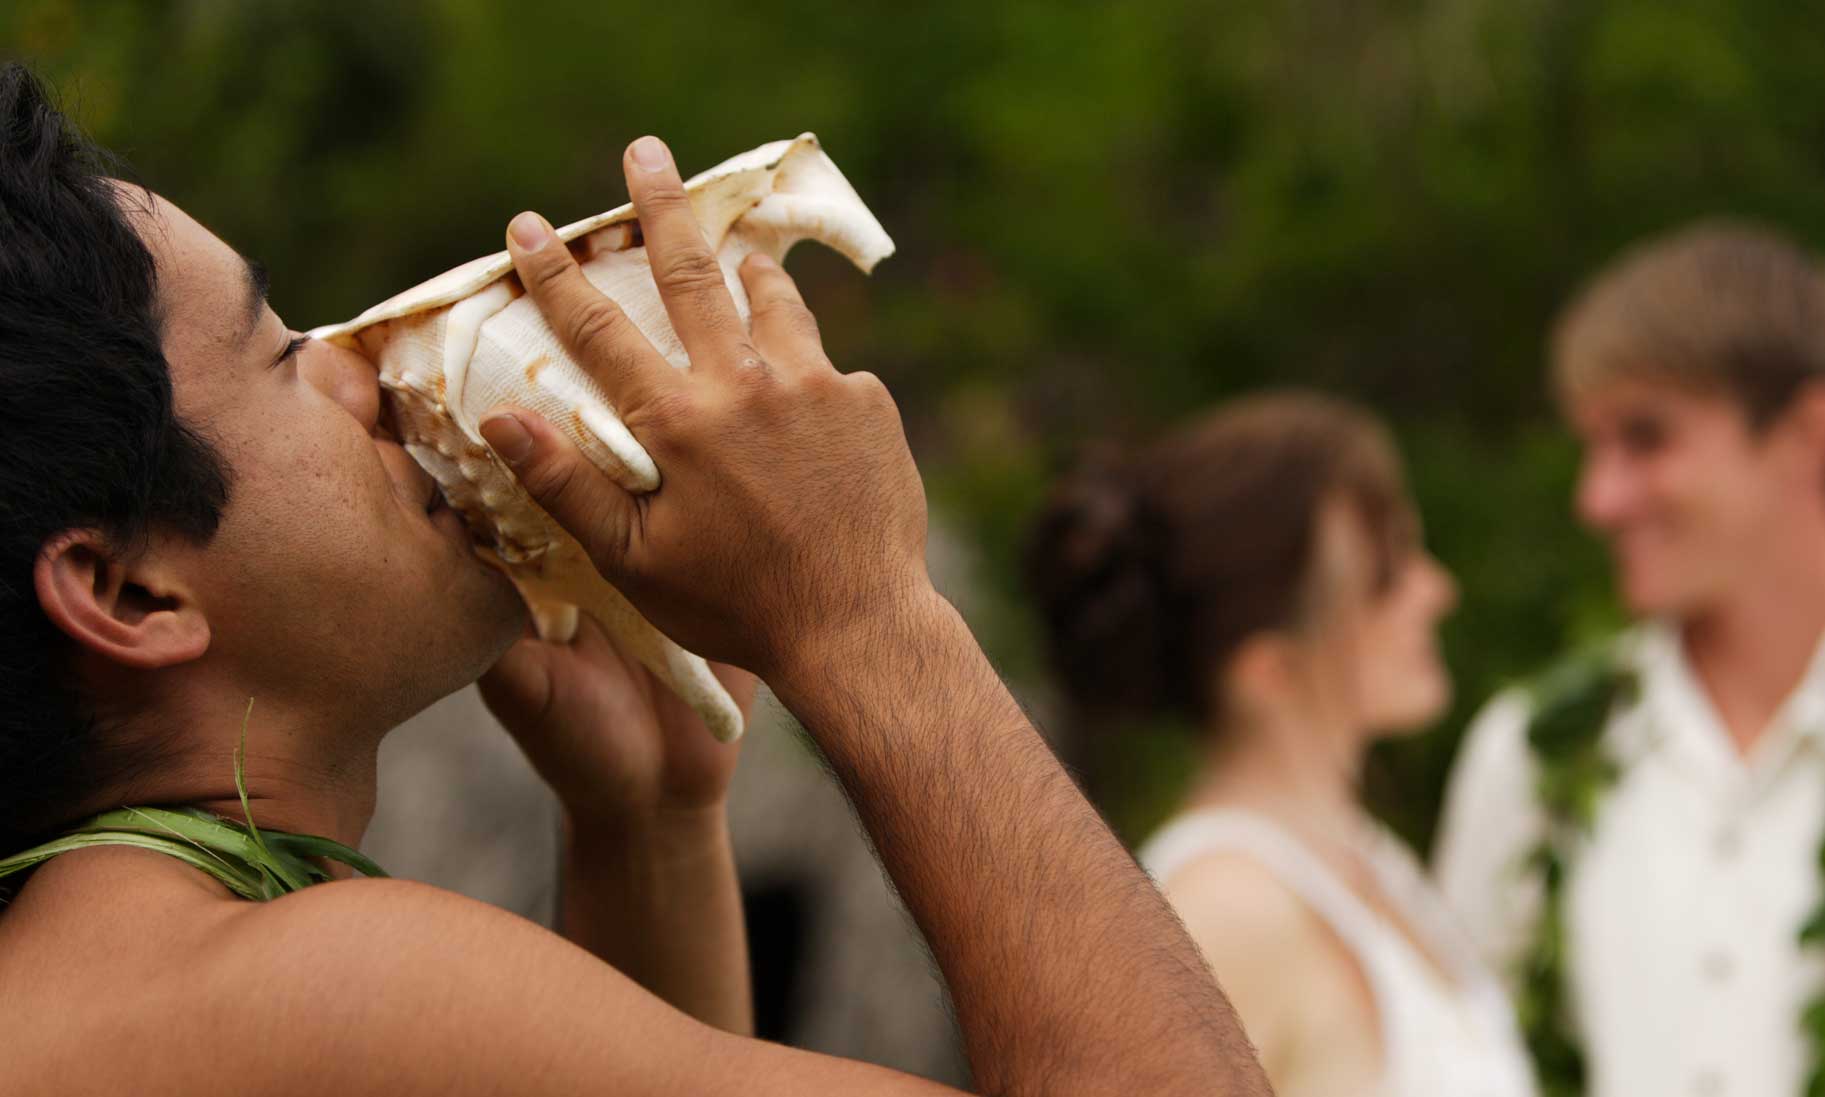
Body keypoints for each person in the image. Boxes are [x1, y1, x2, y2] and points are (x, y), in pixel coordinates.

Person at [0, 65, 1271, 1096]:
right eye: (282, 356)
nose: (357, 369)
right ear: (129, 594)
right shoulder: (318, 997)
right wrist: (863, 614)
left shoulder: (118, 983)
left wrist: (649, 820)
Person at [1027, 392, 1536, 1097]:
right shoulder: (1225, 913)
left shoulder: (1366, 859)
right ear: (1269, 669)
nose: (1436, 591)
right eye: (1386, 576)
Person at [1433, 221, 1825, 1097]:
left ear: (1807, 432)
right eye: (1594, 448)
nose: (1598, 499)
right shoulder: (1531, 753)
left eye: (1645, 439)